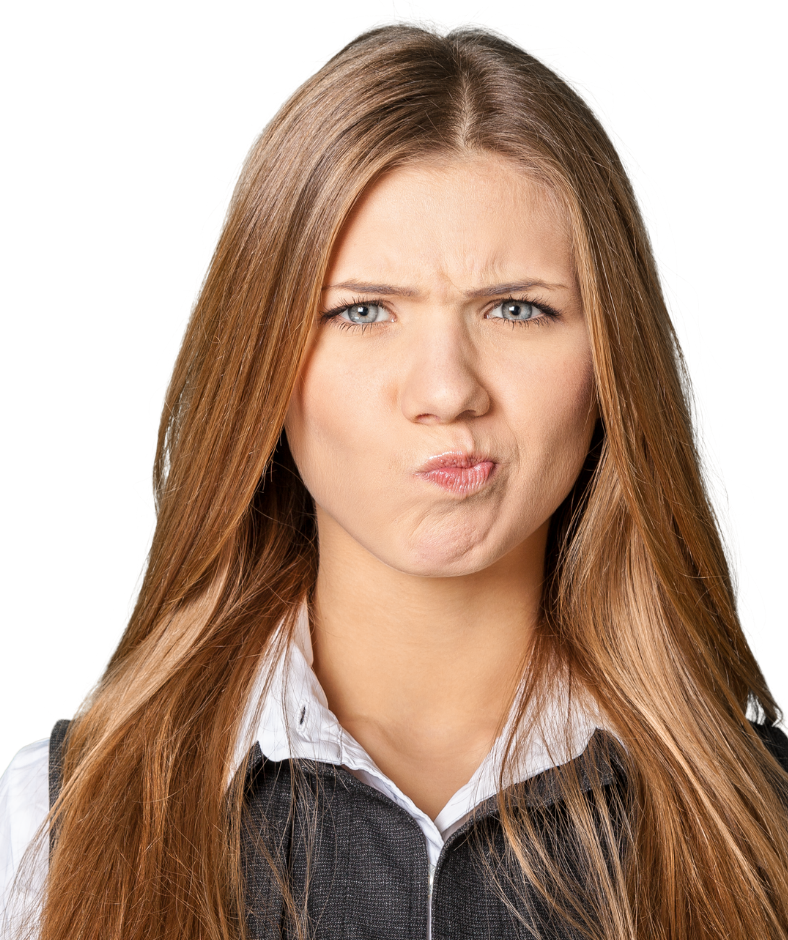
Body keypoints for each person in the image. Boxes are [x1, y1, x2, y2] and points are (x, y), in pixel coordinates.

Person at [2, 22, 788, 940]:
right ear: (262, 360)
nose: (447, 390)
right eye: (364, 311)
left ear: (614, 358)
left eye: (517, 308)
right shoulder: (52, 826)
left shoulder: (762, 826)